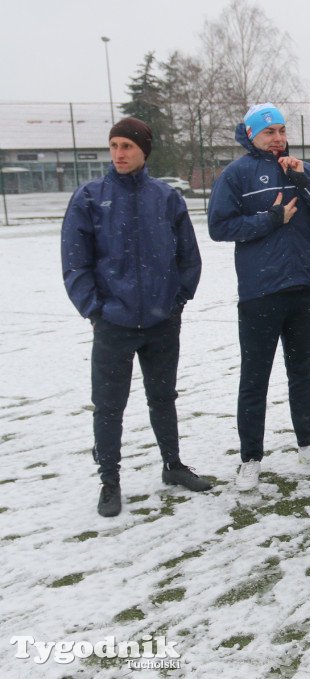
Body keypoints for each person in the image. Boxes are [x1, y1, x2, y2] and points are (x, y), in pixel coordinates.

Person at [61, 117, 209, 517]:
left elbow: (189, 257)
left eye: (126, 146)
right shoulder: (90, 197)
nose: (119, 153)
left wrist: (176, 303)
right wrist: (96, 311)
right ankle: (109, 480)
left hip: (162, 322)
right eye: (114, 146)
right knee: (109, 405)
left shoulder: (166, 198)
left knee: (163, 397)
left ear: (144, 149)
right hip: (113, 324)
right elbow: (75, 263)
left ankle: (172, 465)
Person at [208, 103, 310, 491]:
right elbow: (219, 226)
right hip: (260, 292)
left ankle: (309, 445)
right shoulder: (236, 174)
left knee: (301, 373)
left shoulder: (304, 170)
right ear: (252, 135)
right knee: (255, 378)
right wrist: (269, 219)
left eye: (282, 131)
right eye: (269, 132)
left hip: (303, 289)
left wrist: (303, 181)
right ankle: (250, 458)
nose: (278, 138)